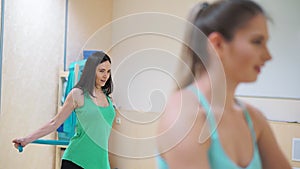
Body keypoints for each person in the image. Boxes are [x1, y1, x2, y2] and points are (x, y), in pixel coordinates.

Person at [156, 0, 292, 169]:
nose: (268, 56)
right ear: (218, 44)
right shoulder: (184, 115)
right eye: (257, 42)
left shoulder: (253, 118)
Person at [13, 51, 116, 169]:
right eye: (101, 71)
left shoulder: (109, 99)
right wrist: (26, 139)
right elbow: (54, 123)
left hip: (100, 163)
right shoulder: (78, 94)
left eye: (108, 71)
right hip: (76, 161)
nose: (106, 76)